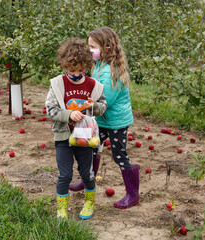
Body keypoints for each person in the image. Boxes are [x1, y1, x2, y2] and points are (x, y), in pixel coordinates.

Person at [69, 27, 139, 209]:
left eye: (93, 46)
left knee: (120, 156)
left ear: (106, 47)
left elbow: (103, 102)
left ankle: (133, 194)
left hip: (115, 122)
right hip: (101, 119)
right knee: (91, 149)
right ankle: (86, 180)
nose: (89, 50)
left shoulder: (110, 72)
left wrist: (82, 106)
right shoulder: (99, 65)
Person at [45, 37, 107, 219]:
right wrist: (68, 114)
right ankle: (62, 209)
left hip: (85, 136)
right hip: (63, 136)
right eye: (71, 70)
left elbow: (102, 107)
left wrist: (92, 106)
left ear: (86, 67)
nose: (75, 74)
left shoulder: (93, 86)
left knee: (87, 173)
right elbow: (50, 110)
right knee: (65, 174)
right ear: (64, 65)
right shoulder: (57, 84)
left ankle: (89, 202)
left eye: (80, 70)